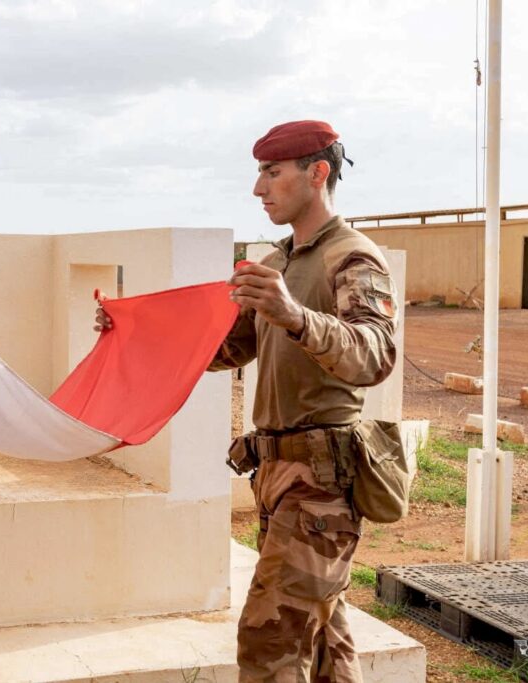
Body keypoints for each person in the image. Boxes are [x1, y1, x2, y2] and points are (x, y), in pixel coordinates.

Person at [95, 120, 397, 682]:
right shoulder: (278, 263)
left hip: (320, 485)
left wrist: (295, 316)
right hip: (278, 476)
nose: (259, 188)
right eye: (260, 173)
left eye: (272, 173)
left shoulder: (352, 257)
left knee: (268, 642)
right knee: (325, 639)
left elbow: (374, 356)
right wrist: (135, 332)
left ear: (317, 172)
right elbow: (228, 347)